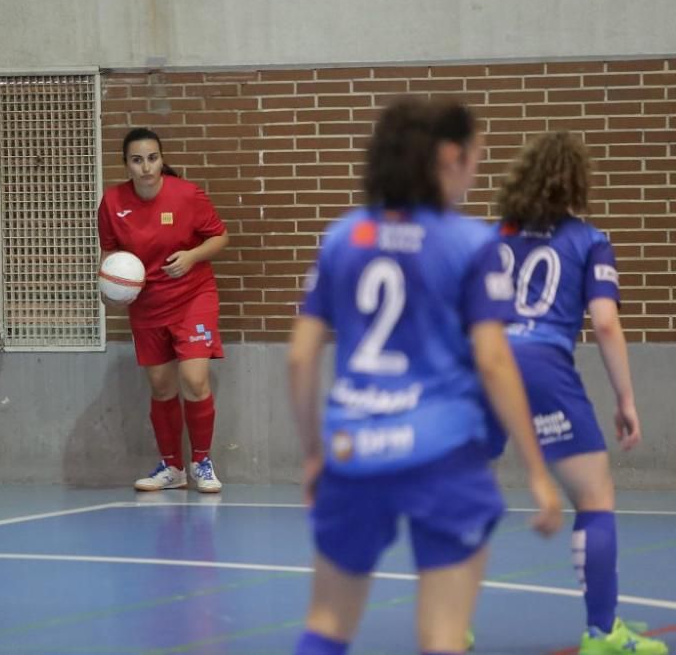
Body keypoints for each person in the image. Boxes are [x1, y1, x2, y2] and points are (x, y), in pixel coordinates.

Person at [288, 98, 562, 655]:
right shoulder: (470, 244)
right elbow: (493, 359)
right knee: (442, 639)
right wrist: (536, 470)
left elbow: (300, 357)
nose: (477, 170)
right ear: (450, 156)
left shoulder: (343, 237)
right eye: (476, 157)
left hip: (354, 450)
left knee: (327, 625)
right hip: (442, 456)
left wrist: (315, 454)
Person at [492, 132, 668, 655]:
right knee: (595, 499)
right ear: (576, 181)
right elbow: (607, 325)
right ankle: (602, 632)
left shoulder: (495, 237)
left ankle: (449, 624)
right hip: (542, 366)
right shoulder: (588, 239)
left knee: (465, 496)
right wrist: (627, 400)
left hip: (483, 365)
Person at [97, 128, 230, 493]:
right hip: (148, 303)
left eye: (152, 158)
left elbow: (219, 235)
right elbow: (110, 255)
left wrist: (192, 257)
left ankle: (201, 461)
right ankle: (172, 468)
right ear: (126, 164)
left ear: (161, 158)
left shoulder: (187, 195)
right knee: (161, 386)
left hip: (192, 296)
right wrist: (112, 287)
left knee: (194, 379)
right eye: (137, 160)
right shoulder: (112, 203)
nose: (146, 167)